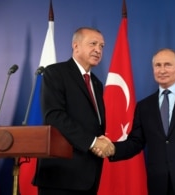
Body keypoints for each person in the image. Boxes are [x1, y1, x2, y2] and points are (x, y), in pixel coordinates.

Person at [93, 48, 175, 195]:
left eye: (167, 65)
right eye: (158, 65)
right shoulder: (144, 106)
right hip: (158, 183)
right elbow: (136, 142)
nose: (162, 70)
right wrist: (112, 148)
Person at [33, 27, 115, 195]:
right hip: (60, 176)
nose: (98, 50)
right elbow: (54, 116)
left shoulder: (97, 83)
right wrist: (92, 142)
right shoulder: (55, 73)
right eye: (93, 44)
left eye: (102, 46)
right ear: (76, 46)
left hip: (89, 176)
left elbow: (94, 124)